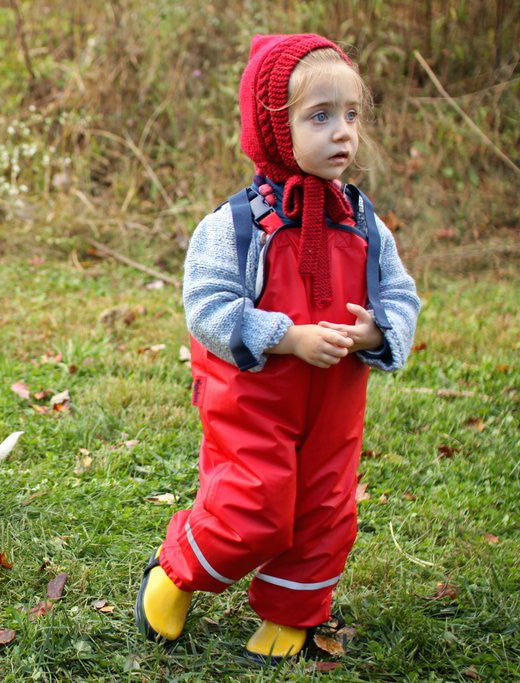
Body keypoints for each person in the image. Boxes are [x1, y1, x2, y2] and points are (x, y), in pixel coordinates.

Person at [135, 34, 421, 663]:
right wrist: (287, 336)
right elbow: (206, 307)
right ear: (273, 128)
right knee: (256, 503)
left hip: (335, 402)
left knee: (325, 507)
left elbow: (401, 294)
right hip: (256, 397)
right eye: (319, 117)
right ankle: (178, 570)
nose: (341, 132)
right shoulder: (237, 225)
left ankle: (292, 613)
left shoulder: (364, 221)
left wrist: (377, 330)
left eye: (351, 115)